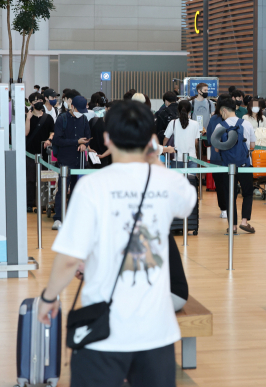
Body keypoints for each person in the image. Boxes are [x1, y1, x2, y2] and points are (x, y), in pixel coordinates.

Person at [37, 100, 197, 387]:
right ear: (150, 138)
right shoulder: (168, 182)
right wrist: (155, 157)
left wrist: (48, 298)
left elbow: (70, 258)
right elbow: (187, 202)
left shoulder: (92, 186)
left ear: (108, 138)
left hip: (103, 332)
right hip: (156, 334)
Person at [213, 97, 256, 234]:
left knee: (230, 195)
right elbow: (252, 146)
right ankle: (244, 221)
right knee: (248, 193)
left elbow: (217, 148)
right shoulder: (247, 124)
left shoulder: (220, 126)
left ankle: (233, 226)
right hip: (245, 165)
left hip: (228, 167)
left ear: (224, 110)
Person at [51, 95, 92, 230]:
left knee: (77, 190)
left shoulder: (84, 119)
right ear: (72, 106)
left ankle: (75, 217)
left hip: (79, 161)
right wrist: (76, 142)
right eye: (78, 110)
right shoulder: (62, 119)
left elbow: (87, 137)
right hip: (65, 160)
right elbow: (57, 140)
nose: (80, 113)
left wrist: (84, 145)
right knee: (62, 189)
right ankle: (58, 218)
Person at [25, 101, 55, 210]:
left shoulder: (48, 118)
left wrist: (49, 139)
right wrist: (28, 118)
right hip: (30, 153)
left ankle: (42, 204)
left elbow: (53, 131)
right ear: (32, 104)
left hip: (44, 154)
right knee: (30, 179)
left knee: (44, 178)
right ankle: (29, 203)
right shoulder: (27, 117)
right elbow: (25, 133)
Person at [206, 94, 231, 219]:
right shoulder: (237, 120)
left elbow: (210, 139)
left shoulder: (214, 119)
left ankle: (224, 209)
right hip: (232, 157)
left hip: (217, 157)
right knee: (230, 184)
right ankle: (230, 208)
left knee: (220, 185)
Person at [163, 100, 200, 170]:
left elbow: (166, 139)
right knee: (190, 180)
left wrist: (164, 150)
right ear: (190, 110)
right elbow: (196, 142)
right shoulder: (195, 124)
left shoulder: (172, 123)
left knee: (177, 180)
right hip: (192, 158)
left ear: (178, 110)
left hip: (176, 158)